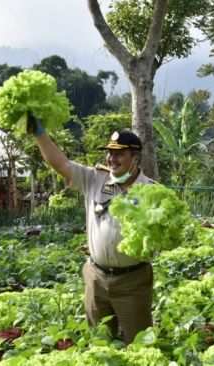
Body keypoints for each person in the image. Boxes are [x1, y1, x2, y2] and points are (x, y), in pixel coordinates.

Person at [29, 116, 155, 343]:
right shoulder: (95, 179)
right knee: (98, 343)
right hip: (96, 277)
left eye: (119, 154)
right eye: (109, 153)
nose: (111, 158)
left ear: (136, 157)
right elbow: (60, 164)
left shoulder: (152, 192)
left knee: (139, 342)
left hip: (133, 281)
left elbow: (163, 238)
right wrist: (40, 133)